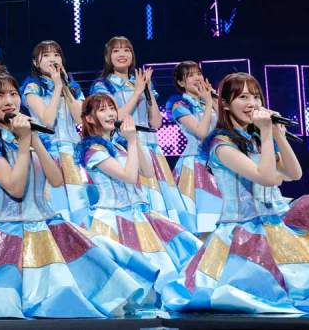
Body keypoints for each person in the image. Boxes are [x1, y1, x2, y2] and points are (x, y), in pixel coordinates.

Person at [0, 72, 149, 319]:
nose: (8, 101)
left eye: (13, 94)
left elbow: (56, 180)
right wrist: (24, 142)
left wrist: (33, 137)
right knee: (1, 301)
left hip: (47, 226)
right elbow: (15, 188)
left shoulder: (27, 134)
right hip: (7, 233)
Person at [162, 73, 309, 314]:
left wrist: (277, 135)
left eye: (256, 97)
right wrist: (266, 134)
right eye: (243, 97)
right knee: (284, 285)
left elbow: (294, 173)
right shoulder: (220, 145)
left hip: (274, 223)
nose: (252, 103)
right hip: (244, 231)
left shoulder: (254, 139)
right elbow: (266, 177)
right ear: (225, 104)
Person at [76, 94, 201, 298]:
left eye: (112, 108)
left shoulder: (117, 146)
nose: (110, 113)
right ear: (89, 118)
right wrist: (132, 142)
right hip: (112, 219)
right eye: (102, 110)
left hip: (137, 214)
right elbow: (128, 176)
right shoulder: (92, 150)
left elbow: (148, 171)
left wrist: (135, 140)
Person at [90, 36, 185, 225]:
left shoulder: (140, 82)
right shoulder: (103, 85)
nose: (122, 54)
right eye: (116, 50)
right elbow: (114, 117)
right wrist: (137, 92)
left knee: (162, 210)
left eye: (126, 50)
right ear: (108, 57)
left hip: (151, 148)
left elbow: (156, 123)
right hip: (126, 147)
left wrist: (148, 90)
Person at [20, 40, 88, 224]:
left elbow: (80, 119)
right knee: (57, 207)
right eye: (46, 55)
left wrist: (64, 86)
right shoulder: (32, 88)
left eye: (56, 55)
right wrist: (57, 87)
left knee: (80, 206)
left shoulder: (72, 87)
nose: (53, 59)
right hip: (48, 154)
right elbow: (47, 122)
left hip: (73, 153)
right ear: (35, 62)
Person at [166, 61, 219, 235]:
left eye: (198, 73)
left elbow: (228, 127)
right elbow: (202, 133)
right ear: (181, 82)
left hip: (221, 159)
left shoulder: (208, 101)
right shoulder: (180, 106)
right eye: (190, 75)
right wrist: (209, 103)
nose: (197, 78)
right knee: (203, 220)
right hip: (196, 164)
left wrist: (214, 101)